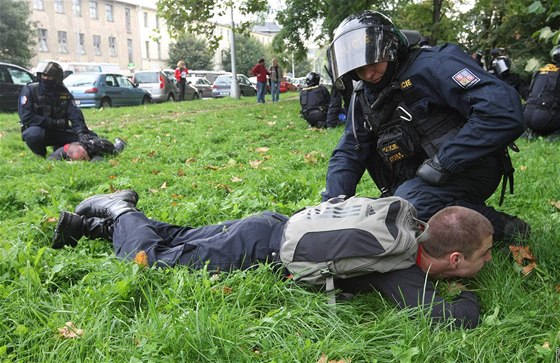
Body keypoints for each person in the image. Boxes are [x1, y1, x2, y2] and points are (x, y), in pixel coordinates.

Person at [52, 190, 495, 328]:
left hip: (269, 225)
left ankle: (87, 228)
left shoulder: (407, 222)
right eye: (484, 256)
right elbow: (457, 319)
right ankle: (119, 209)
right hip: (256, 250)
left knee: (181, 238)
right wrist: (466, 296)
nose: (489, 262)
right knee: (152, 260)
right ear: (453, 258)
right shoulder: (400, 269)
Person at [322, 11, 530, 244]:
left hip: (471, 166)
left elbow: (503, 111)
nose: (368, 74)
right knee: (380, 213)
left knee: (409, 207)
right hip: (415, 179)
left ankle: (505, 228)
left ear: (391, 48)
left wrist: (446, 160)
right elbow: (350, 150)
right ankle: (427, 203)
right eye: (360, 69)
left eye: (372, 63)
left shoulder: (435, 64)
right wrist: (333, 203)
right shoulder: (363, 96)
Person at [18, 61, 94, 158]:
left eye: (50, 76)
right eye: (44, 75)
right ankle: (40, 154)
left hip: (60, 130)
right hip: (39, 130)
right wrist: (54, 122)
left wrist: (81, 131)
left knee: (89, 138)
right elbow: (26, 117)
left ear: (56, 78)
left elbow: (74, 113)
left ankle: (61, 148)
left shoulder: (63, 92)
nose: (46, 78)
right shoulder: (30, 90)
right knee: (32, 134)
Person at [523, 45, 560, 140]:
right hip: (545, 118)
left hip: (527, 117)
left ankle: (534, 132)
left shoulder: (539, 72)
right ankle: (555, 136)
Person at [47, 137, 127, 162]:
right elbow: (51, 158)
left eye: (85, 156)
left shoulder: (94, 151)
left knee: (117, 151)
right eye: (82, 159)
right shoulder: (70, 148)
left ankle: (120, 142)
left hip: (105, 147)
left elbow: (97, 161)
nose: (86, 159)